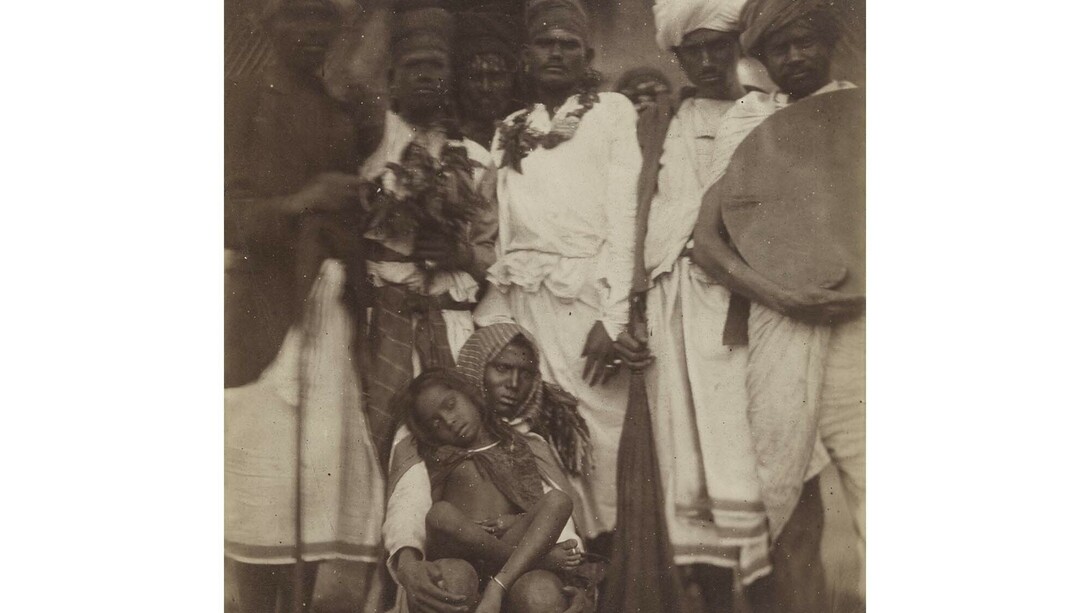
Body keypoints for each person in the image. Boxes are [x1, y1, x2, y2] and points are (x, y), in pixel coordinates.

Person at [691, 0, 865, 610]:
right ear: (761, 57)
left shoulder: (866, 111)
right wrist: (784, 297)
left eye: (804, 44)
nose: (794, 58)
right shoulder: (748, 120)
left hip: (861, 328)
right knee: (790, 504)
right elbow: (706, 244)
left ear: (826, 43)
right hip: (778, 325)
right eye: (780, 48)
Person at [224, 2, 385, 612]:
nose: (314, 34)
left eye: (324, 20)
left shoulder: (340, 111)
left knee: (316, 499)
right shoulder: (239, 100)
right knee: (260, 499)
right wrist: (300, 202)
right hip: (261, 324)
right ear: (268, 23)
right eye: (299, 17)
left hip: (329, 317)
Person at [615, 0, 771, 609]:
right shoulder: (662, 122)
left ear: (737, 45)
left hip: (736, 302)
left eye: (717, 46)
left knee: (743, 458)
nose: (706, 61)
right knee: (686, 464)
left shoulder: (764, 113)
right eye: (692, 51)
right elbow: (640, 214)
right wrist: (631, 300)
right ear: (675, 55)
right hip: (667, 306)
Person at [475, 0, 642, 545]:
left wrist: (614, 319)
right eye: (545, 43)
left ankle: (620, 564)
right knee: (541, 434)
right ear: (526, 56)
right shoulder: (510, 130)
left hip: (588, 299)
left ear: (588, 56)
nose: (556, 53)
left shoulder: (612, 111)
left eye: (568, 44)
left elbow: (625, 218)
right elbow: (499, 231)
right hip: (526, 304)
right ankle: (573, 567)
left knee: (603, 439)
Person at [354, 0, 499, 465]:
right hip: (383, 322)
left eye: (434, 66)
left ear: (448, 76)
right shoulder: (373, 144)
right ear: (392, 78)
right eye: (411, 67)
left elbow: (491, 254)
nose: (423, 76)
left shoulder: (475, 157)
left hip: (449, 322)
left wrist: (458, 253)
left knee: (457, 445)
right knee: (382, 443)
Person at [385, 323, 594, 613]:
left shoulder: (525, 444)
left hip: (514, 563)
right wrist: (408, 563)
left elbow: (559, 522)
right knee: (446, 546)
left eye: (525, 373)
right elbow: (407, 508)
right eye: (502, 369)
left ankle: (505, 584)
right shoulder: (426, 447)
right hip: (458, 553)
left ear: (467, 394)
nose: (450, 421)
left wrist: (576, 578)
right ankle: (532, 564)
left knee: (542, 592)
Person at [453, 11, 522, 148]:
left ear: (512, 78)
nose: (486, 87)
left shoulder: (531, 133)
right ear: (459, 81)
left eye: (496, 76)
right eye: (475, 77)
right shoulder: (447, 142)